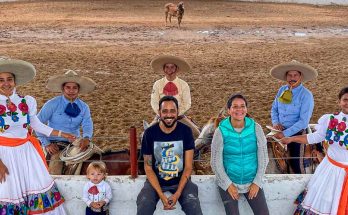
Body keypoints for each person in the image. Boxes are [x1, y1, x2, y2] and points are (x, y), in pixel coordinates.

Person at [0, 58, 76, 214]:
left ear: (15, 81)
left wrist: (63, 134)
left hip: (27, 152)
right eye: (1, 80)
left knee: (37, 184)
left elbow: (36, 125)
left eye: (9, 79)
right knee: (8, 191)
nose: (6, 83)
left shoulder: (26, 101)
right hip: (4, 154)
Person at [280, 87, 348, 215]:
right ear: (339, 101)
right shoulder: (330, 120)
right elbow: (314, 137)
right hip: (330, 171)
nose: (347, 103)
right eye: (345, 100)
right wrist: (291, 139)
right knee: (324, 201)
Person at [137, 96, 203, 215]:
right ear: (159, 113)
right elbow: (148, 167)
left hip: (181, 180)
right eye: (165, 111)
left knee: (193, 205)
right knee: (144, 203)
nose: (169, 115)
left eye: (172, 111)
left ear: (178, 112)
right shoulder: (149, 133)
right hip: (155, 181)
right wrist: (161, 195)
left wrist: (178, 193)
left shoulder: (186, 131)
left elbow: (188, 167)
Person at [211, 93, 270, 215]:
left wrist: (257, 182)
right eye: (235, 106)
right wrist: (228, 185)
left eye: (242, 106)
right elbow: (215, 162)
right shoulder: (220, 131)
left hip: (252, 180)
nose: (239, 110)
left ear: (246, 109)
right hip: (229, 182)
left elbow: (263, 157)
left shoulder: (256, 128)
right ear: (229, 110)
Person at [37, 70, 96, 174]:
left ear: (78, 90)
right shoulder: (52, 104)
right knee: (56, 162)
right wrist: (46, 144)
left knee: (96, 156)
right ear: (63, 89)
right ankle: (52, 188)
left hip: (75, 142)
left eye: (74, 88)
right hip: (54, 143)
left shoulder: (84, 107)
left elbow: (87, 123)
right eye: (68, 87)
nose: (71, 90)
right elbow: (37, 124)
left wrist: (87, 138)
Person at [270, 60, 318, 173]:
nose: (292, 78)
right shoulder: (281, 90)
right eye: (290, 75)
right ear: (286, 77)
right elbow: (274, 109)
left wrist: (285, 133)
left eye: (295, 75)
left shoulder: (306, 95)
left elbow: (303, 122)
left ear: (300, 76)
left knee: (296, 163)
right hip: (278, 129)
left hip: (297, 132)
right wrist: (275, 123)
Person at [150, 55, 200, 139]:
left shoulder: (184, 85)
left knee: (196, 134)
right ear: (164, 69)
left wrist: (176, 114)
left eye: (172, 67)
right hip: (161, 116)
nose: (169, 70)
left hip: (179, 116)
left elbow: (187, 103)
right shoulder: (157, 84)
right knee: (145, 135)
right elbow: (154, 102)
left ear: (176, 69)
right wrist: (161, 113)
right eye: (167, 67)